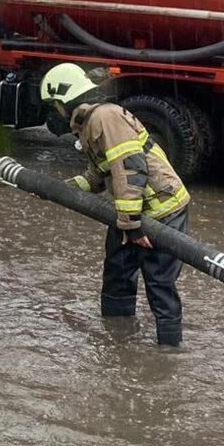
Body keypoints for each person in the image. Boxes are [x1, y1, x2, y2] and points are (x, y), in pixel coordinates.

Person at [39, 63, 191, 346]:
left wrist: (132, 228)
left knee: (159, 283)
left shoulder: (104, 118)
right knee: (117, 273)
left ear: (64, 98)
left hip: (162, 211)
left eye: (54, 105)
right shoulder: (89, 123)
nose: (54, 113)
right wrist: (61, 190)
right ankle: (117, 339)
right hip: (131, 213)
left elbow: (131, 170)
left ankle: (168, 353)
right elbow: (99, 175)